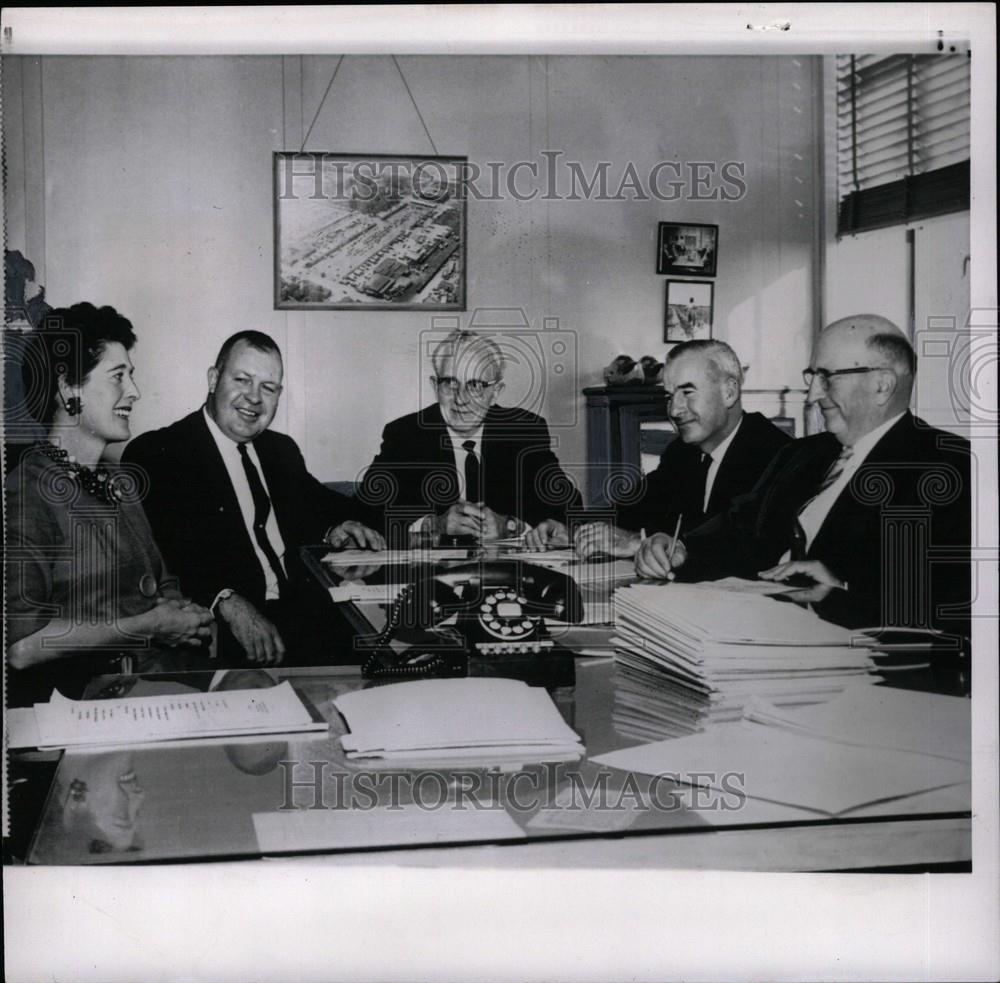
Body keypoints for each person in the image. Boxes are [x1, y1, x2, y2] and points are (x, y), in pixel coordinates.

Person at [634, 315, 971, 640]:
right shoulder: (803, 455)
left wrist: (841, 594)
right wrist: (681, 549)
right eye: (811, 376)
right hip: (754, 636)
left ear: (882, 385)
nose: (811, 395)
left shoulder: (948, 467)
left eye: (827, 377)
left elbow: (955, 606)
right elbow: (740, 527)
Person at [122, 330, 384, 666]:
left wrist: (338, 526)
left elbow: (324, 504)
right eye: (243, 380)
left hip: (311, 613)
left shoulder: (281, 450)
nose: (254, 398)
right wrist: (225, 599)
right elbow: (167, 552)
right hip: (231, 629)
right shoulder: (160, 452)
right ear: (214, 379)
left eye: (268, 387)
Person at [4, 303, 213, 707]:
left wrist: (181, 615)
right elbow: (22, 646)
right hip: (79, 705)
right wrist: (149, 625)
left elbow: (162, 582)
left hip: (151, 688)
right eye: (118, 376)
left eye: (130, 376)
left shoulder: (120, 482)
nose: (134, 392)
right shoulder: (26, 494)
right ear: (68, 389)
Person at [527, 340, 791, 559]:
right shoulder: (683, 452)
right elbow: (634, 508)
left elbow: (734, 539)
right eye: (669, 395)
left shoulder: (776, 454)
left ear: (729, 392)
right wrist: (573, 531)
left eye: (687, 392)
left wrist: (638, 541)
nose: (674, 410)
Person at [359, 329, 581, 543]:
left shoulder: (524, 430)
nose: (461, 399)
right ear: (435, 386)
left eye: (475, 385)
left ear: (495, 392)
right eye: (450, 383)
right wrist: (432, 525)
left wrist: (511, 526)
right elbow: (364, 515)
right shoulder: (405, 434)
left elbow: (569, 511)